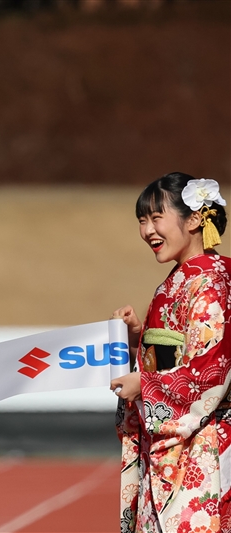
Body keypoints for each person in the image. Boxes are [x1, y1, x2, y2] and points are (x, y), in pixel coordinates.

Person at [110, 173, 231, 532]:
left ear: (194, 219)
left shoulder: (209, 281)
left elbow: (211, 371)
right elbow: (169, 354)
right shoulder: (184, 277)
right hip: (173, 442)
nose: (148, 230)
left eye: (156, 217)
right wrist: (137, 338)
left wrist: (145, 386)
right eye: (142, 221)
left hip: (201, 442)